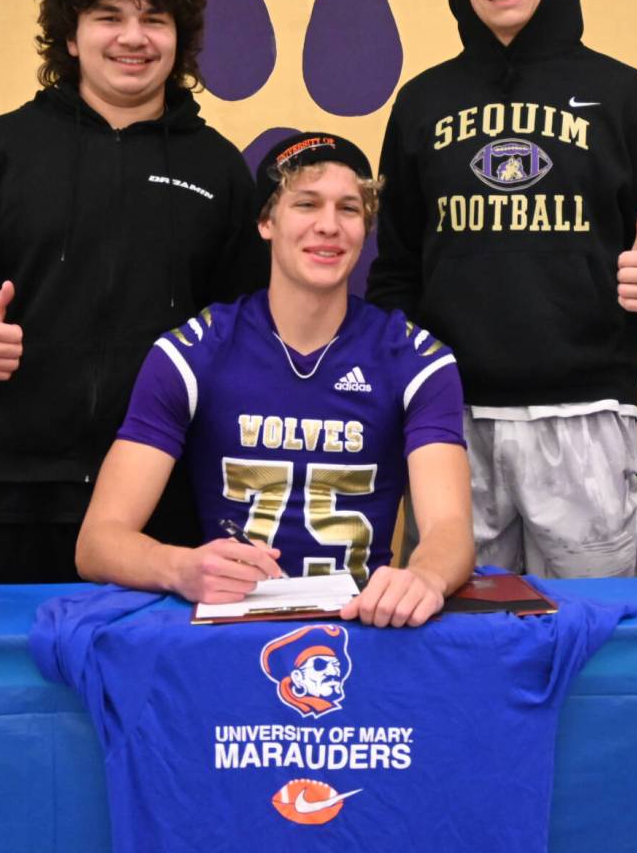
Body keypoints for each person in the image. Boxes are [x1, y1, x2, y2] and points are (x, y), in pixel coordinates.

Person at [0, 0, 267, 584]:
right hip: (12, 495)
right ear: (70, 37)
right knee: (2, 657)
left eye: (155, 19)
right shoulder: (0, 150)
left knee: (143, 657)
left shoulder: (218, 169)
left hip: (163, 499)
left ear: (179, 39)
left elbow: (247, 325)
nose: (133, 37)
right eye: (108, 17)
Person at [367, 0, 637, 578]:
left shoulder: (622, 92)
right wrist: (406, 377)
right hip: (452, 422)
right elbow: (395, 266)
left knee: (589, 627)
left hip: (586, 414)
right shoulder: (422, 102)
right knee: (458, 627)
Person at [76, 132, 475, 626]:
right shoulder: (194, 352)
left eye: (349, 209)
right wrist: (179, 568)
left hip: (363, 627)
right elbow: (98, 542)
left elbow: (449, 529)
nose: (328, 225)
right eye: (306, 204)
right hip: (231, 629)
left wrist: (426, 578)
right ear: (266, 221)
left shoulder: (414, 360)